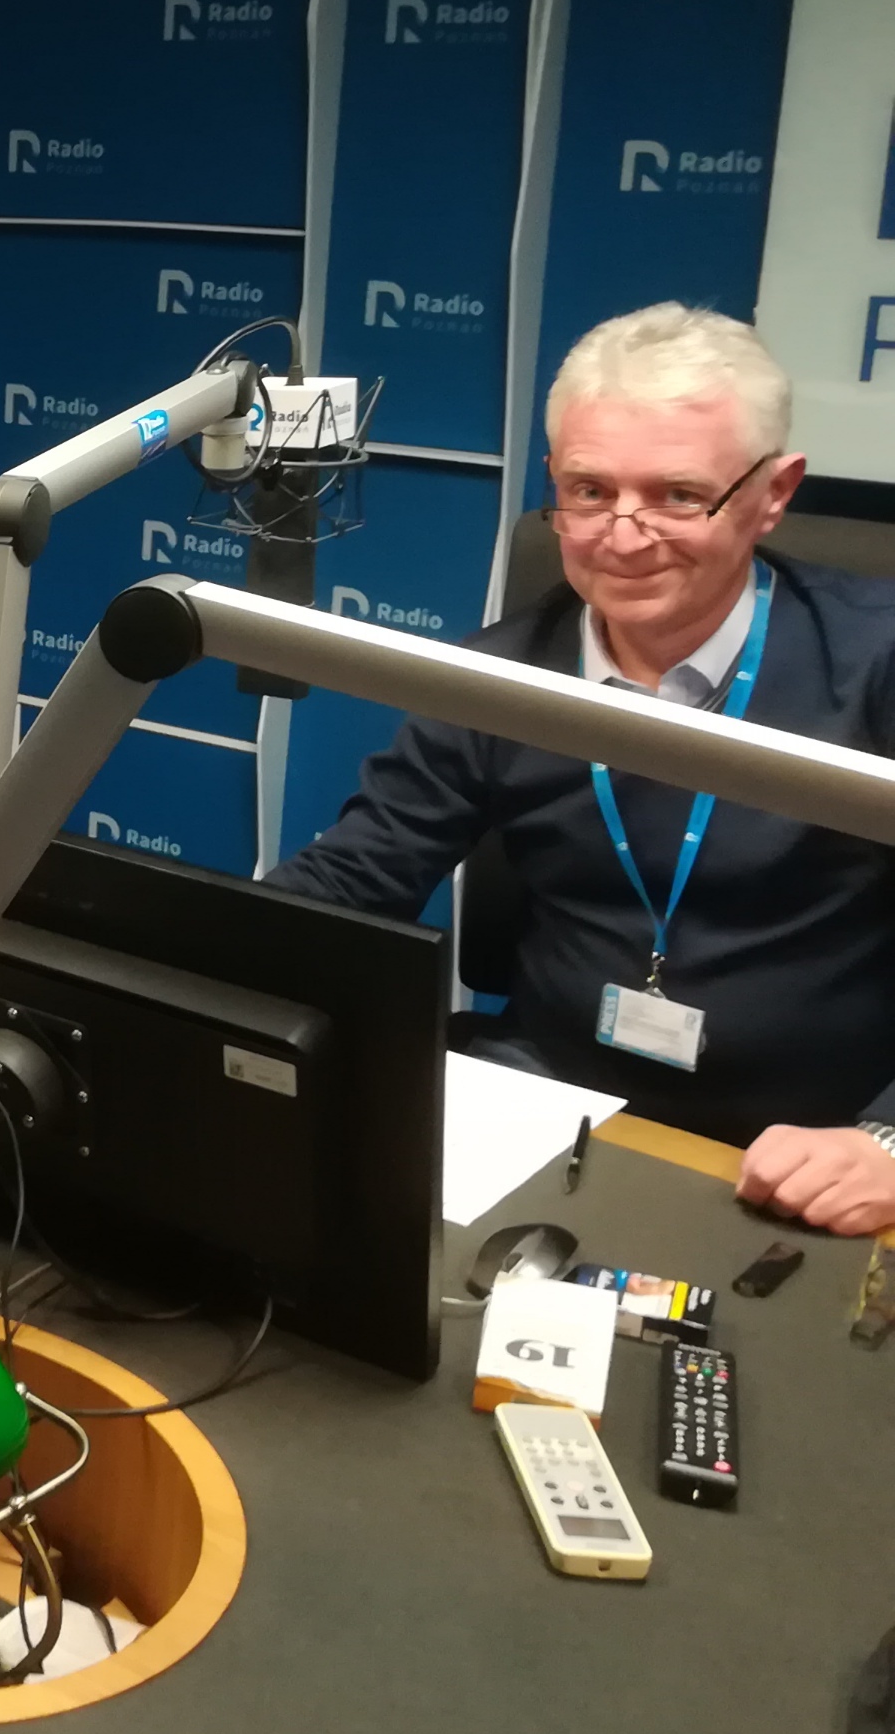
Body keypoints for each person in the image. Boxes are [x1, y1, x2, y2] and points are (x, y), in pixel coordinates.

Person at [268, 305, 895, 1235]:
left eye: (678, 496)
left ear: (772, 492)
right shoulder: (499, 675)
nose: (623, 536)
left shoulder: (878, 661)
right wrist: (190, 969)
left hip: (812, 1144)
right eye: (590, 491)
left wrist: (887, 1143)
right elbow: (351, 882)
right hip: (545, 1104)